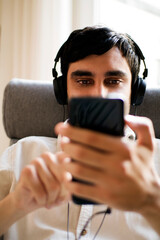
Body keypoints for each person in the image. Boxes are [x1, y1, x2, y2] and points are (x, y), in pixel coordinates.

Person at [0, 26, 160, 240]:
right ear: (63, 91)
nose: (99, 94)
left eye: (113, 81)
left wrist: (151, 202)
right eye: (84, 81)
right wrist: (16, 203)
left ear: (135, 91)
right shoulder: (21, 153)